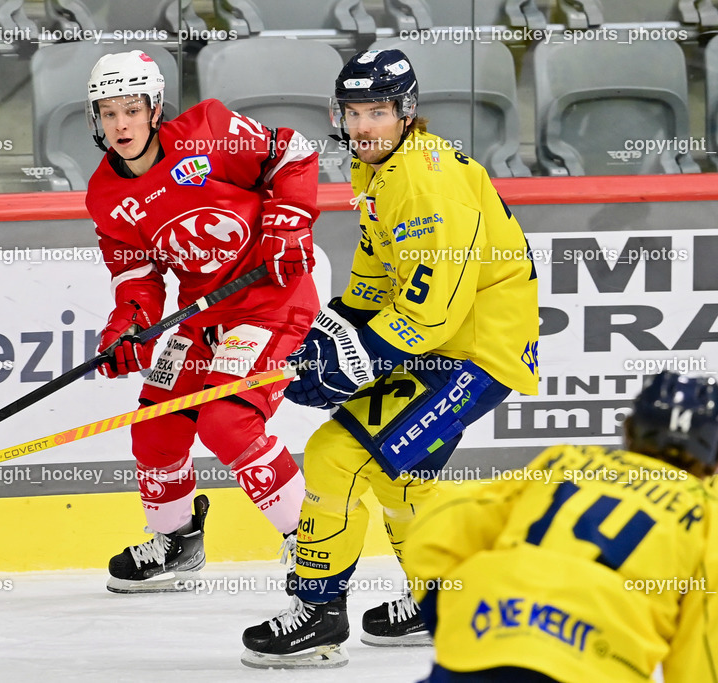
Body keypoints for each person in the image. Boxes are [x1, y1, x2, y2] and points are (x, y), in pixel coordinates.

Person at [241, 48, 540, 668]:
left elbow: (430, 315)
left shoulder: (428, 185)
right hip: (442, 343)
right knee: (400, 474)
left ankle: (319, 618)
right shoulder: (378, 167)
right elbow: (379, 280)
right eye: (352, 113)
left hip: (474, 354)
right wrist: (327, 336)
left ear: (406, 113)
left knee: (336, 456)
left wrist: (351, 359)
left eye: (376, 111)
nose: (362, 127)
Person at [84, 50, 321, 593]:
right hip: (202, 316)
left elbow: (293, 152)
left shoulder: (209, 131)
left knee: (227, 422)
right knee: (155, 427)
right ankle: (177, 543)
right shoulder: (105, 195)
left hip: (269, 300)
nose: (120, 124)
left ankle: (312, 545)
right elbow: (137, 273)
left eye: (131, 109)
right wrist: (129, 327)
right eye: (108, 112)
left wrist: (286, 225)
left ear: (155, 108)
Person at [407, 371, 718, 682]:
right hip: (597, 666)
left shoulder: (565, 460)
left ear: (629, 430)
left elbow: (443, 520)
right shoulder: (707, 514)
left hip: (486, 633)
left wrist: (447, 613)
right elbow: (702, 646)